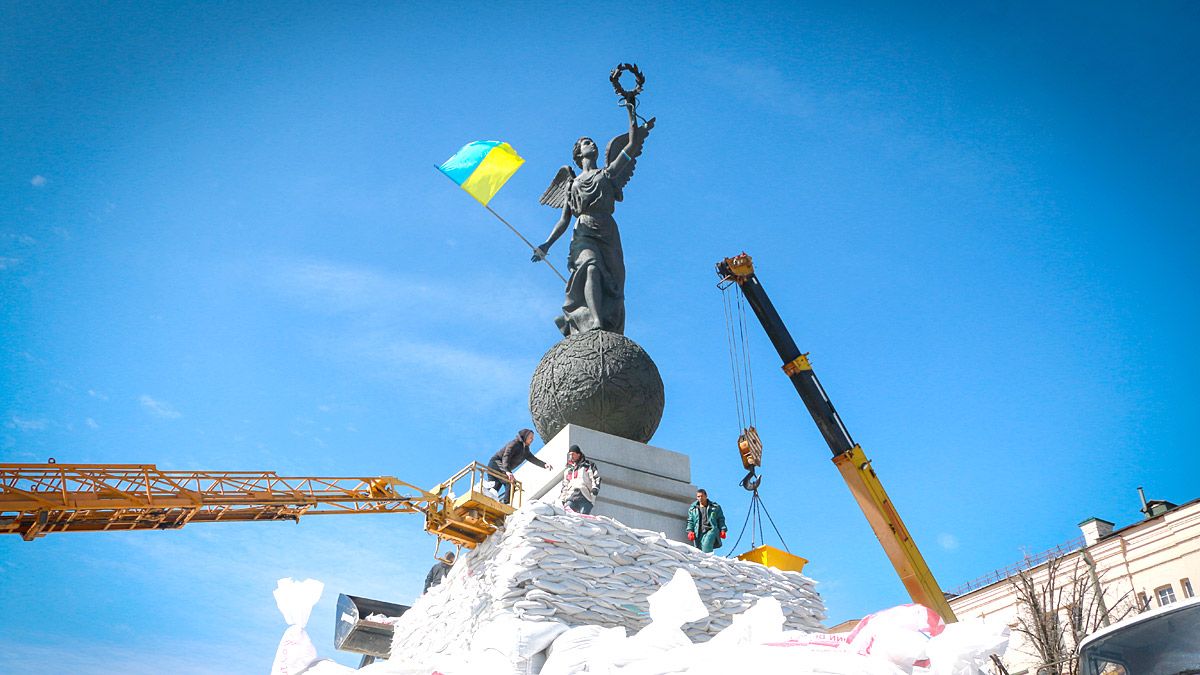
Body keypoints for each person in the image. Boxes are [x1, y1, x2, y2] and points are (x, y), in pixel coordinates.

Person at [531, 98, 655, 337]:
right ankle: (594, 320)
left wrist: (631, 112)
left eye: (593, 142)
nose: (592, 144)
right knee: (590, 266)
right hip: (583, 231)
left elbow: (630, 147)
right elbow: (564, 220)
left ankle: (586, 320)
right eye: (587, 143)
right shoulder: (572, 182)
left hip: (607, 230)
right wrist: (546, 244)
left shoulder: (608, 173)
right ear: (579, 153)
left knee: (615, 288)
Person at [486, 428, 552, 505]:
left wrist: (544, 464)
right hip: (496, 463)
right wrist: (507, 471)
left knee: (494, 488)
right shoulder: (515, 444)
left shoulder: (525, 450)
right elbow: (506, 456)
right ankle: (506, 504)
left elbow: (532, 459)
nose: (532, 440)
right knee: (510, 482)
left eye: (533, 438)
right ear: (525, 437)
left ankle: (486, 500)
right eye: (530, 438)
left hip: (502, 467)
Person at [558, 444, 601, 514]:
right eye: (570, 455)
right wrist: (562, 499)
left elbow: (595, 478)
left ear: (578, 454)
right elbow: (565, 485)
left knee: (583, 518)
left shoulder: (588, 465)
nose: (571, 457)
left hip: (585, 496)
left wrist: (595, 489)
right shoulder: (568, 469)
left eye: (573, 454)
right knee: (567, 515)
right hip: (571, 496)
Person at [686, 489, 727, 553]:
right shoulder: (693, 509)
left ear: (706, 496)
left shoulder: (715, 507)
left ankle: (708, 560)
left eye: (702, 496)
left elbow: (720, 519)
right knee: (699, 551)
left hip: (711, 530)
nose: (700, 498)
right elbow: (690, 521)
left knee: (706, 545)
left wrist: (723, 529)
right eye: (698, 496)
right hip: (699, 532)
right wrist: (690, 531)